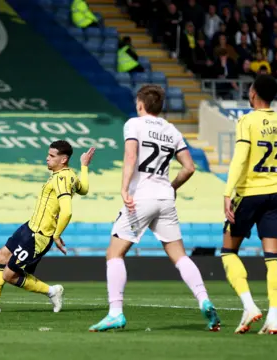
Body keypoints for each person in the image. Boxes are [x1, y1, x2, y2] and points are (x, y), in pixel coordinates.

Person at [88, 85, 220, 332]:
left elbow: (130, 156)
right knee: (180, 255)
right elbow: (189, 167)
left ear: (140, 104)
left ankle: (115, 313)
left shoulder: (134, 124)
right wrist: (172, 187)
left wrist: (125, 188)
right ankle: (204, 299)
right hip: (165, 198)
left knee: (114, 254)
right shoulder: (172, 130)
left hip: (142, 197)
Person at [0, 142, 95, 314]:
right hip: (29, 227)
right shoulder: (69, 175)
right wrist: (84, 166)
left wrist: (57, 235)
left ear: (63, 159)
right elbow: (84, 189)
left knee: (9, 275)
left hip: (39, 235)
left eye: (52, 156)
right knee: (2, 256)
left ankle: (52, 291)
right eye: (48, 155)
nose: (47, 158)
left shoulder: (61, 178)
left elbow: (67, 212)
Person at [221, 75, 277, 335]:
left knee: (228, 250)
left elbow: (240, 158)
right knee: (273, 256)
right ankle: (273, 318)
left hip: (249, 193)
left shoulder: (247, 120)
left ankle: (249, 305)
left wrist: (227, 192)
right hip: (276, 193)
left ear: (253, 93)